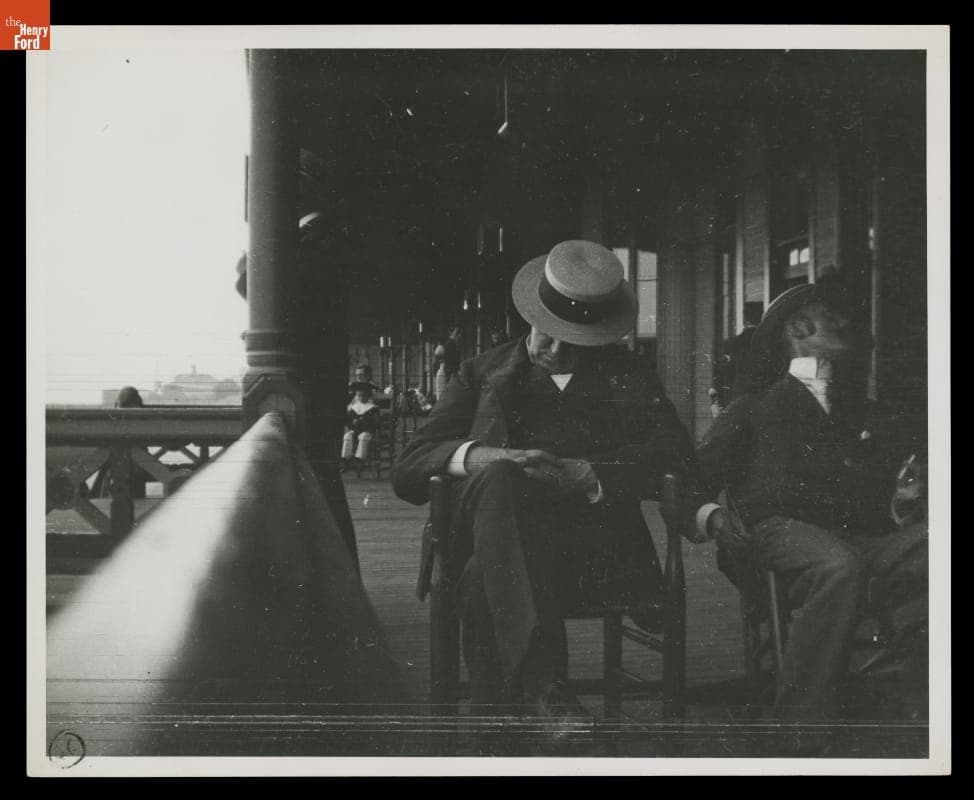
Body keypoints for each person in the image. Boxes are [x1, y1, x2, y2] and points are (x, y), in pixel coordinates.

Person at [391, 241, 704, 754]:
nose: (552, 348)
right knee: (502, 479)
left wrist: (593, 473)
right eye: (544, 331)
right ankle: (544, 688)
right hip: (491, 526)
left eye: (570, 340)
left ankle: (495, 742)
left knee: (478, 584)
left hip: (589, 553)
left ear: (598, 336)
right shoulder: (480, 372)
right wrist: (487, 457)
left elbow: (675, 453)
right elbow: (408, 469)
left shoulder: (627, 375)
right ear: (531, 313)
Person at [695, 283, 928, 737]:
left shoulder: (859, 407)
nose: (843, 324)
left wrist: (899, 502)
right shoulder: (754, 407)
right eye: (830, 316)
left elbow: (879, 490)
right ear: (799, 328)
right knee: (839, 564)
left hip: (856, 536)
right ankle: (796, 726)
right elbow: (689, 477)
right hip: (777, 532)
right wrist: (713, 517)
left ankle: (912, 687)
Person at [342, 381, 381, 469]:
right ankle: (345, 458)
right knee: (347, 436)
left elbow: (375, 423)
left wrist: (364, 421)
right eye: (359, 396)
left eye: (364, 396)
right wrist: (352, 423)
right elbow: (348, 421)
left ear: (368, 396)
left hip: (367, 431)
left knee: (363, 437)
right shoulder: (353, 408)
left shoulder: (373, 408)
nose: (361, 398)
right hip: (354, 430)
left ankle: (359, 459)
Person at [433, 326, 462, 403]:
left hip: (447, 373)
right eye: (457, 334)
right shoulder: (450, 344)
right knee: (444, 399)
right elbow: (438, 352)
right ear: (450, 334)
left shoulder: (453, 345)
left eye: (459, 334)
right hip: (445, 374)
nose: (459, 336)